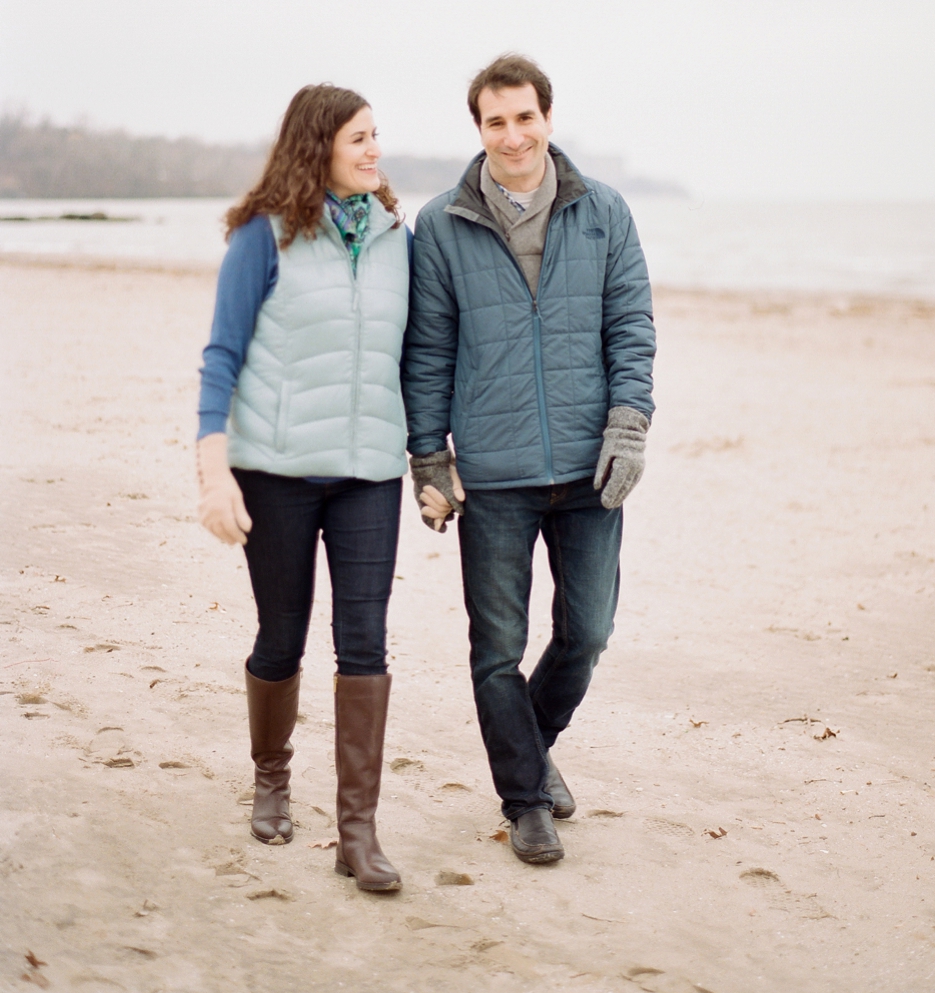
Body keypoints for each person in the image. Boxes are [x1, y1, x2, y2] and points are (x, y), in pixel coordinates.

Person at [403, 54, 656, 866]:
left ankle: (531, 749)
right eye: (495, 121)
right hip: (496, 473)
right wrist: (429, 459)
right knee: (497, 649)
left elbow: (632, 329)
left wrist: (628, 427)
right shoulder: (441, 225)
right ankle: (524, 799)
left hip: (589, 471)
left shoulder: (605, 212)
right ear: (478, 128)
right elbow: (429, 350)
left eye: (524, 117)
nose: (512, 134)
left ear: (549, 117)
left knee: (587, 631)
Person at [196, 84, 408, 893]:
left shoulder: (396, 236)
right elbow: (221, 355)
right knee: (281, 636)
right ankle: (273, 777)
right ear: (318, 143)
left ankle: (358, 831)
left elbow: (414, 357)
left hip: (369, 473)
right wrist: (214, 472)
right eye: (360, 137)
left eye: (376, 136)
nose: (373, 150)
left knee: (366, 642)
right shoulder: (265, 236)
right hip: (276, 472)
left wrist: (429, 462)